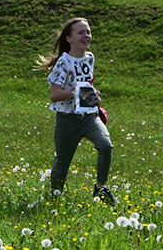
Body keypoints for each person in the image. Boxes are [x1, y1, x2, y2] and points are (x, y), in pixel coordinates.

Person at [38, 17, 115, 203]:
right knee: (62, 164)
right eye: (81, 32)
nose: (86, 36)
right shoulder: (63, 63)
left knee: (106, 146)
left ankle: (101, 188)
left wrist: (93, 97)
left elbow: (85, 84)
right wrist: (76, 92)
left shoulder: (89, 58)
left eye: (88, 32)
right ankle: (54, 199)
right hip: (67, 120)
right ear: (69, 39)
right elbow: (55, 95)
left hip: (89, 116)